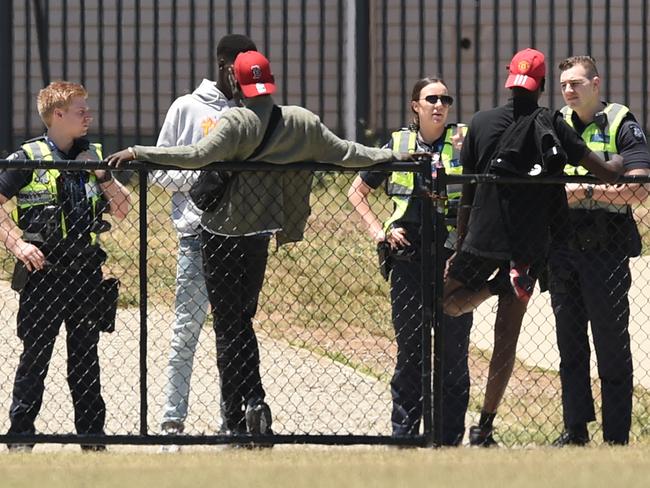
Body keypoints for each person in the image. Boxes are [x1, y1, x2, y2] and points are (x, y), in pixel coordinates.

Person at [107, 50, 403, 438]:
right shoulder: (300, 122)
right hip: (260, 235)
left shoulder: (235, 122)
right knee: (241, 321)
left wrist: (139, 152)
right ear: (271, 80)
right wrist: (394, 156)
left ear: (239, 81)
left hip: (220, 235)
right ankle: (252, 404)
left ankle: (239, 416)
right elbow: (348, 153)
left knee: (228, 328)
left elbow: (193, 156)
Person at [441, 48, 623, 447]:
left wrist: (459, 240)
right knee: (506, 339)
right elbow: (606, 172)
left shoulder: (481, 122)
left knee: (445, 302)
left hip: (481, 237)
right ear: (542, 86)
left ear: (510, 79)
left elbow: (468, 191)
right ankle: (483, 426)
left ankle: (495, 288)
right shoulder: (553, 124)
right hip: (528, 245)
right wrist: (623, 164)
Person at [0, 81, 131, 452]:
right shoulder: (28, 158)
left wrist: (102, 174)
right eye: (80, 111)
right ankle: (20, 440)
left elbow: (122, 210)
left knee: (86, 363)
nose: (88, 116)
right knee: (35, 359)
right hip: (44, 274)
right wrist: (18, 244)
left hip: (86, 274)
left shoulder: (94, 156)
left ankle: (92, 441)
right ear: (58, 115)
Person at [347, 77, 472, 445]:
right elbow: (358, 191)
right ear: (415, 105)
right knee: (411, 353)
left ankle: (449, 438)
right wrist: (379, 232)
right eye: (431, 99)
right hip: (409, 258)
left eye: (445, 99)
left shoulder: (464, 142)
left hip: (452, 258)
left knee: (453, 355)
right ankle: (404, 436)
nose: (440, 105)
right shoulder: (399, 143)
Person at [149, 34, 257, 445]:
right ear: (225, 64)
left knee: (235, 332)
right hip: (197, 235)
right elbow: (158, 170)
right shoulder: (187, 107)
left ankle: (235, 420)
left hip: (241, 237)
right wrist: (206, 178)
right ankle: (172, 423)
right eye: (241, 66)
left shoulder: (249, 112)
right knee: (186, 330)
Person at [549, 56, 650, 447]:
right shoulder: (556, 124)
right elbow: (542, 186)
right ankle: (575, 431)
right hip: (563, 248)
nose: (569, 91)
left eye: (576, 83)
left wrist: (585, 191)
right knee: (569, 346)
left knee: (611, 344)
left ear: (596, 83)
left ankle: (616, 437)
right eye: (563, 85)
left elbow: (641, 189)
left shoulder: (621, 123)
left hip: (605, 250)